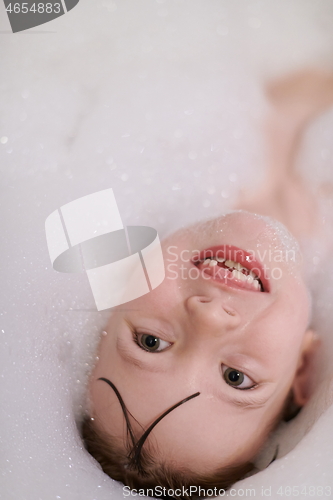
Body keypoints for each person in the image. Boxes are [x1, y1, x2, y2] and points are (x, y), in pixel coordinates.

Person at [81, 69, 333, 498]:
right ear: (304, 367)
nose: (211, 316)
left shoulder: (165, 135)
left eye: (150, 342)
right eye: (236, 377)